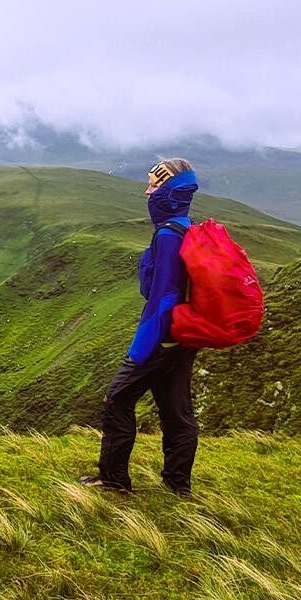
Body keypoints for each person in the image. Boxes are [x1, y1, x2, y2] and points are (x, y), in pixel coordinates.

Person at [81, 159, 200, 498]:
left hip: (162, 336)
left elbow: (162, 297)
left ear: (169, 192)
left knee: (117, 399)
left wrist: (141, 348)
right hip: (183, 336)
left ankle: (114, 480)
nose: (147, 192)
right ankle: (179, 486)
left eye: (153, 186)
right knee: (177, 410)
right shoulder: (186, 227)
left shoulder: (166, 235)